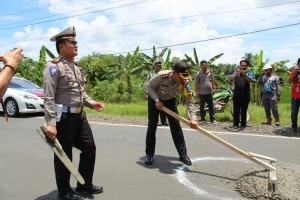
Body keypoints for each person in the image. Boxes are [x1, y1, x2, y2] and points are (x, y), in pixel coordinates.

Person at [43, 26, 104, 200]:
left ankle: (84, 185)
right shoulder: (53, 67)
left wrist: (92, 103)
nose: (76, 45)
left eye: (76, 42)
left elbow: (81, 93)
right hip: (64, 118)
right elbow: (48, 97)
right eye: (73, 42)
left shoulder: (77, 68)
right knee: (64, 154)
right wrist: (51, 123)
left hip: (79, 115)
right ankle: (64, 192)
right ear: (62, 46)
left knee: (89, 148)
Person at [144, 60, 198, 166]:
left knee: (176, 127)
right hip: (155, 99)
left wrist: (193, 118)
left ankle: (183, 155)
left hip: (169, 100)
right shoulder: (161, 76)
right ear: (174, 73)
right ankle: (149, 154)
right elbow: (148, 86)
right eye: (181, 76)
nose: (183, 79)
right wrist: (156, 100)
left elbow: (190, 100)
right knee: (152, 126)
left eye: (185, 76)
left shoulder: (185, 82)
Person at [229, 60, 254, 129]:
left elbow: (250, 80)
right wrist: (236, 74)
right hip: (237, 94)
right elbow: (230, 79)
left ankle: (243, 124)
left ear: (247, 66)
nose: (243, 67)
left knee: (244, 110)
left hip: (245, 95)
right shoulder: (236, 72)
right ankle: (235, 124)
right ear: (240, 66)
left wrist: (245, 74)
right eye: (242, 66)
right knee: (236, 110)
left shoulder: (249, 73)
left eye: (244, 66)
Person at [145, 58, 168, 126]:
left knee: (162, 107)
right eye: (157, 65)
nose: (159, 66)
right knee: (151, 109)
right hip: (152, 93)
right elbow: (147, 84)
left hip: (161, 93)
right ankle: (152, 121)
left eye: (160, 65)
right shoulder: (150, 74)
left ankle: (163, 121)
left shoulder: (163, 73)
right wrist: (146, 93)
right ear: (154, 65)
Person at [195, 60, 216, 124]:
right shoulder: (198, 74)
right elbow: (196, 83)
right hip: (202, 93)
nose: (205, 66)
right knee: (202, 106)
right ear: (201, 66)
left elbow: (212, 81)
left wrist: (214, 88)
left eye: (206, 65)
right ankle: (202, 119)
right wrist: (197, 92)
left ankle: (212, 119)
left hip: (209, 92)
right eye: (203, 65)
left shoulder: (210, 72)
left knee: (211, 106)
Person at [288, 58, 300, 132]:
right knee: (294, 112)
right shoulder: (294, 72)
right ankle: (294, 127)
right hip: (296, 96)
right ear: (298, 64)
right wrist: (294, 74)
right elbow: (289, 81)